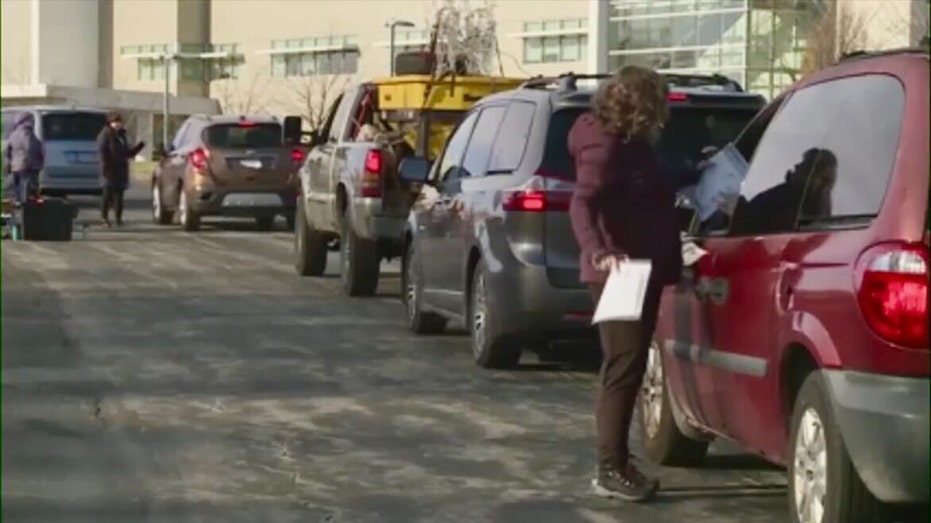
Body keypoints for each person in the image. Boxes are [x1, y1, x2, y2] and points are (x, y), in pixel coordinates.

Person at [568, 65, 686, 503]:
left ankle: (614, 463)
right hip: (619, 272)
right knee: (623, 366)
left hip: (638, 266)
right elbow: (582, 203)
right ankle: (610, 468)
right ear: (639, 105)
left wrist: (695, 169)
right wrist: (598, 249)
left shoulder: (627, 143)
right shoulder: (605, 146)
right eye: (657, 102)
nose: (662, 113)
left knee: (627, 363)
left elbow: (647, 185)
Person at [735, 148, 837, 235]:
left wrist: (736, 209)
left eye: (804, 165)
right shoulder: (783, 198)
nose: (796, 166)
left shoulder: (791, 203)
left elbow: (753, 222)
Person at [96, 112, 144, 226]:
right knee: (107, 195)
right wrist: (105, 167)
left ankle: (118, 219)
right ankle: (104, 218)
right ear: (110, 123)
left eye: (119, 122)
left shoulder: (122, 135)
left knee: (119, 196)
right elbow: (102, 152)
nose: (117, 124)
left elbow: (127, 153)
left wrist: (139, 147)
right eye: (115, 122)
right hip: (109, 169)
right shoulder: (106, 134)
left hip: (121, 169)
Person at [3, 112, 45, 205]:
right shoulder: (27, 133)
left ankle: (17, 204)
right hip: (27, 164)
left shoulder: (13, 134)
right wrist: (37, 160)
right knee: (26, 188)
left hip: (16, 165)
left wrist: (9, 163)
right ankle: (26, 207)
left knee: (17, 187)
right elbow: (29, 147)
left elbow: (8, 150)